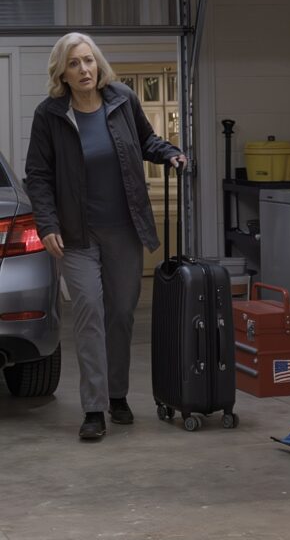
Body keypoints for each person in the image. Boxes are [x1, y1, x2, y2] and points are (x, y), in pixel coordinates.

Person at [25, 32, 187, 441]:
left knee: (120, 315)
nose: (84, 69)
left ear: (98, 63)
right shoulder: (49, 115)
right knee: (89, 314)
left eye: (88, 60)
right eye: (74, 63)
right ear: (62, 73)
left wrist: (169, 153)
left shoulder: (122, 100)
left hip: (124, 228)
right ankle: (94, 408)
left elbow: (146, 139)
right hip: (76, 234)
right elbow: (38, 175)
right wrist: (47, 224)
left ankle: (117, 395)